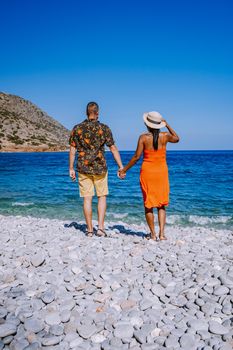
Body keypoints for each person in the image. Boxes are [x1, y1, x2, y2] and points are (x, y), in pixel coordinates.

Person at [119, 111, 179, 240]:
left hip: (148, 172)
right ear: (159, 124)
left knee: (148, 204)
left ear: (147, 124)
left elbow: (136, 157)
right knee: (161, 204)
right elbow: (177, 138)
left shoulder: (143, 137)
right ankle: (162, 234)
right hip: (162, 172)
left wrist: (124, 170)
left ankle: (152, 234)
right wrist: (167, 124)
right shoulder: (165, 136)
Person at [69, 102, 123, 237]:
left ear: (86, 112)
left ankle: (89, 230)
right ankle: (101, 228)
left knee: (87, 199)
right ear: (97, 112)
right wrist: (121, 166)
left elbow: (72, 150)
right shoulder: (104, 128)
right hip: (100, 168)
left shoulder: (77, 128)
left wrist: (71, 168)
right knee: (101, 197)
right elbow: (113, 148)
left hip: (83, 167)